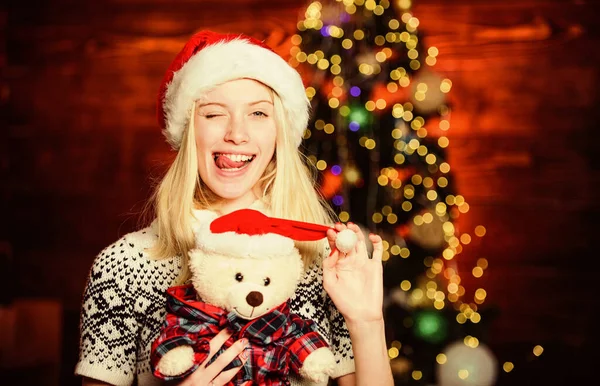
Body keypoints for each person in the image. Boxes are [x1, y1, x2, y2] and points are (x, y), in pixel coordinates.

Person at [75, 30, 393, 386]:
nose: (236, 134)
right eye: (214, 114)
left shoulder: (325, 262)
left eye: (258, 113)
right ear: (189, 130)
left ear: (279, 132)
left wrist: (367, 323)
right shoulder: (125, 265)